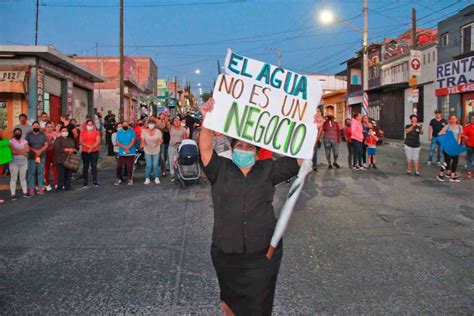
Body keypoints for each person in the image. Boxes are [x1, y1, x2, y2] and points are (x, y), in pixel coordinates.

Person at [199, 98, 313, 315]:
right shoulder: (219, 169)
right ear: (232, 150)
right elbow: (205, 149)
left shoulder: (268, 169)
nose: (243, 149)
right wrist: (207, 120)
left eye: (249, 147)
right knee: (230, 304)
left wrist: (310, 127)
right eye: (239, 146)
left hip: (263, 254)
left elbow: (298, 159)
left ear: (257, 153)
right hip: (226, 253)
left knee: (259, 307)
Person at [437, 114, 463, 182]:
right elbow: (439, 133)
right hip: (448, 147)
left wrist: (458, 145)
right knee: (447, 162)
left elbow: (459, 137)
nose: (453, 120)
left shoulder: (460, 127)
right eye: (452, 118)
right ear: (450, 119)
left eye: (454, 118)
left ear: (457, 119)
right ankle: (440, 174)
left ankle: (452, 176)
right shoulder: (447, 126)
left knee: (455, 161)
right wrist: (445, 133)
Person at [25, 121, 49, 196]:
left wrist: (39, 151)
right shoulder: (29, 135)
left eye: (37, 126)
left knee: (40, 172)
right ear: (32, 127)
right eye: (34, 126)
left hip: (41, 156)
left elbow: (46, 144)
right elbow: (26, 145)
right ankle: (31, 188)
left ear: (39, 127)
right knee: (31, 172)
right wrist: (35, 151)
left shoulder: (42, 134)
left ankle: (40, 188)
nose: (36, 127)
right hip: (31, 156)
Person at [9, 128, 30, 200]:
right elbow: (13, 152)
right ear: (14, 133)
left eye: (19, 132)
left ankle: (25, 192)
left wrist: (17, 150)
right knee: (13, 178)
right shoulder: (10, 142)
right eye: (16, 132)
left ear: (21, 133)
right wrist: (23, 152)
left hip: (24, 162)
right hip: (14, 163)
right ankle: (13, 194)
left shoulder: (25, 141)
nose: (18, 133)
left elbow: (27, 150)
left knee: (23, 178)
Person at [54, 126, 77, 191]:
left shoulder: (70, 139)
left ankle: (67, 186)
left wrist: (72, 150)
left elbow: (74, 146)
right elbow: (57, 148)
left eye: (66, 131)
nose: (65, 132)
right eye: (63, 131)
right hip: (61, 159)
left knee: (68, 174)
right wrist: (67, 149)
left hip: (69, 159)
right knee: (61, 174)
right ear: (61, 132)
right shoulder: (58, 139)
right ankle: (60, 187)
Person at [114, 121, 136, 186]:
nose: (125, 126)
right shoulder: (119, 132)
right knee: (119, 166)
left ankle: (129, 179)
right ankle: (118, 178)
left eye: (126, 125)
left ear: (128, 125)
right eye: (124, 125)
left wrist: (128, 148)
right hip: (121, 153)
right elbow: (117, 142)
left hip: (131, 152)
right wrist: (125, 147)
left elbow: (133, 141)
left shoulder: (131, 132)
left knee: (129, 166)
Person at [80, 119, 101, 187]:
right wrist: (88, 146)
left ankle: (95, 181)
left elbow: (98, 141)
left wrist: (91, 148)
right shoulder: (82, 132)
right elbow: (81, 141)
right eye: (88, 124)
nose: (90, 126)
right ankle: (85, 181)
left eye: (91, 124)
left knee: (94, 166)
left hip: (94, 151)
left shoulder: (96, 132)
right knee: (85, 166)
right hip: (85, 151)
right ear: (86, 125)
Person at [141, 120, 163, 184]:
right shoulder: (144, 132)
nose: (151, 124)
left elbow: (160, 140)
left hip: (156, 149)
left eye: (152, 123)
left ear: (155, 124)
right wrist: (142, 144)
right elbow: (142, 140)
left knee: (155, 164)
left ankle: (156, 177)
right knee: (149, 164)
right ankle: (147, 178)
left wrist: (160, 141)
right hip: (147, 150)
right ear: (147, 124)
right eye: (150, 123)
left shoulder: (158, 131)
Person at [44, 121, 59, 191]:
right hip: (46, 152)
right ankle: (47, 184)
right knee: (46, 169)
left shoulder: (56, 134)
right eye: (48, 127)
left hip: (54, 152)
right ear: (45, 128)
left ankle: (56, 183)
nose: (49, 128)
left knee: (55, 168)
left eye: (51, 127)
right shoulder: (43, 135)